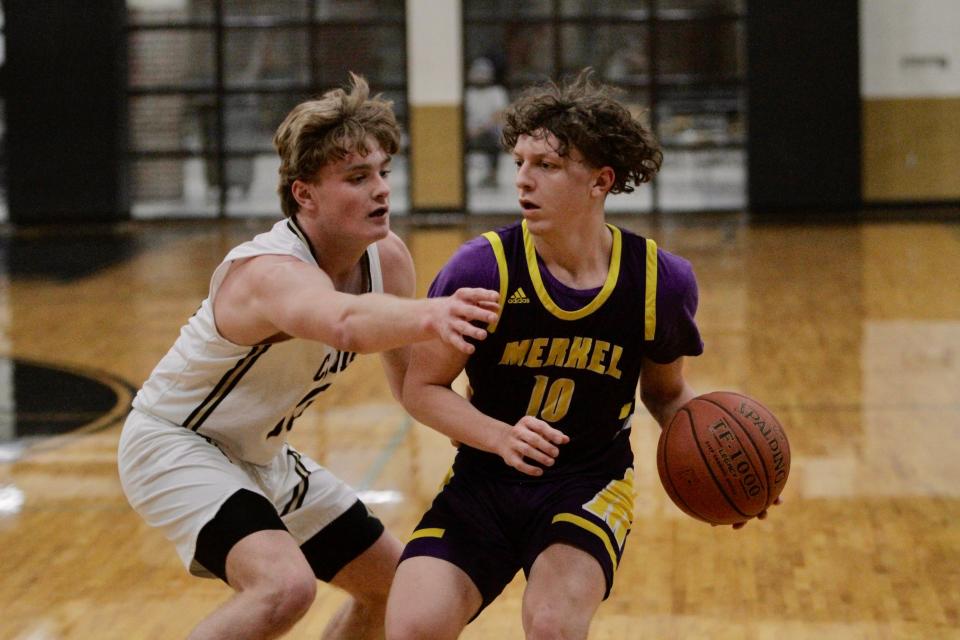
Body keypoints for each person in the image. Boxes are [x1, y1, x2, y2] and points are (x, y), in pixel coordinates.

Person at [117, 74, 499, 640]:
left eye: (383, 173)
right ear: (304, 193)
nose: (381, 191)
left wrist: (493, 436)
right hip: (176, 441)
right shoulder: (268, 273)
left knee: (396, 586)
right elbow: (343, 323)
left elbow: (413, 388)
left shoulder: (387, 259)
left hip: (263, 456)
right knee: (282, 586)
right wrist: (432, 313)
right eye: (356, 177)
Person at [386, 69, 709, 640]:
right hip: (484, 478)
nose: (523, 181)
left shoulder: (660, 281)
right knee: (413, 626)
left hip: (587, 482)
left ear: (600, 181)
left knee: (554, 626)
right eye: (520, 163)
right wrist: (498, 437)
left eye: (548, 166)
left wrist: (720, 468)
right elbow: (422, 388)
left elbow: (664, 392)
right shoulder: (482, 268)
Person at [465, 57, 509, 188]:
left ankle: (492, 175)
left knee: (494, 139)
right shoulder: (468, 94)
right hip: (469, 131)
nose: (480, 77)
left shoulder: (497, 92)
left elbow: (499, 115)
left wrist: (480, 130)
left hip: (489, 130)